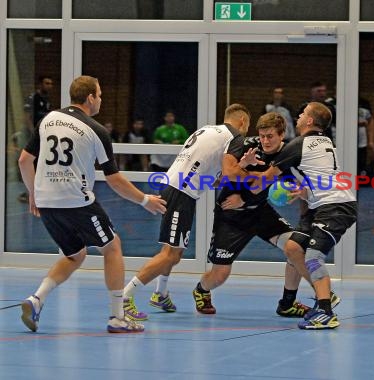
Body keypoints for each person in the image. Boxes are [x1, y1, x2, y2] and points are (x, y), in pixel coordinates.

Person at [17, 75, 167, 333]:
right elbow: (115, 180)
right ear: (90, 98)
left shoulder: (48, 119)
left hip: (47, 200)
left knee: (75, 254)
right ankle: (117, 317)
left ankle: (37, 299)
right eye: (99, 95)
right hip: (76, 200)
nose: (101, 99)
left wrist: (33, 193)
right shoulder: (96, 130)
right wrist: (145, 200)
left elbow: (23, 160)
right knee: (112, 246)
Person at [122, 104, 259, 320]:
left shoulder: (207, 130)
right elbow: (232, 174)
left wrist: (241, 163)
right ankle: (125, 297)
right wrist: (257, 177)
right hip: (181, 192)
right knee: (169, 254)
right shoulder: (235, 137)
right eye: (248, 125)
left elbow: (217, 179)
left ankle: (160, 293)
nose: (246, 130)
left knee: (174, 252)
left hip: (177, 187)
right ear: (242, 121)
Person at [192, 112, 324, 317]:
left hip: (261, 212)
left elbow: (297, 184)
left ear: (282, 135)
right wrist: (243, 182)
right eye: (262, 136)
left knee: (295, 248)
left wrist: (297, 192)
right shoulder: (246, 146)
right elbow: (221, 178)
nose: (265, 141)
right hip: (231, 216)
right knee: (220, 274)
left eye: (270, 136)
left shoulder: (289, 154)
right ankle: (201, 289)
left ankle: (288, 303)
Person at [251, 102, 357, 330]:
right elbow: (320, 174)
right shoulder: (326, 141)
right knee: (293, 247)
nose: (298, 116)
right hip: (322, 204)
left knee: (314, 256)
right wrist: (305, 191)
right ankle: (310, 302)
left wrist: (228, 176)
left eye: (302, 114)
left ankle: (326, 311)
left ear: (309, 121)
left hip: (335, 206)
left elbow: (261, 183)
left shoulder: (298, 145)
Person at [17, 75, 55, 203]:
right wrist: (33, 132)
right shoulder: (33, 98)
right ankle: (28, 192)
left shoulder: (47, 100)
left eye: (51, 83)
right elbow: (27, 116)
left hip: (43, 135)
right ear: (40, 84)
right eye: (47, 83)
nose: (49, 86)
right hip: (32, 135)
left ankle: (38, 190)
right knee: (29, 162)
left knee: (40, 162)